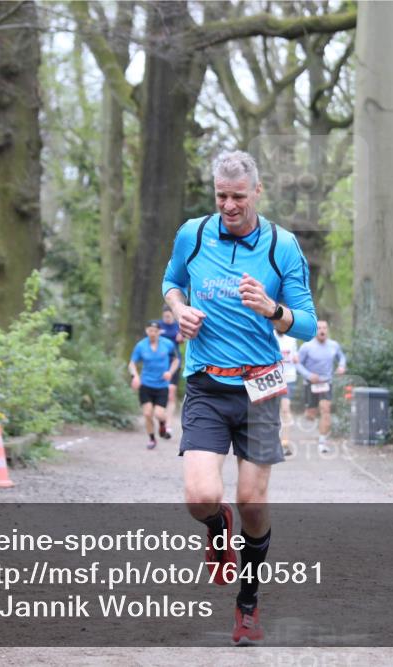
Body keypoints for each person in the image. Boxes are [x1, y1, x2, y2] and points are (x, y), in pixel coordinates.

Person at [162, 150, 317, 644]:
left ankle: (247, 604)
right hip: (208, 382)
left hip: (262, 387)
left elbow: (308, 324)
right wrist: (178, 310)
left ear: (257, 193)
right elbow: (171, 282)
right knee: (200, 496)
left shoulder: (282, 246)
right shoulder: (194, 233)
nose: (228, 206)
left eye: (237, 197)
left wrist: (273, 310)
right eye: (221, 196)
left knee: (253, 500)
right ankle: (216, 524)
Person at [297, 320, 346, 454]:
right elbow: (298, 364)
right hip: (310, 384)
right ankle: (312, 414)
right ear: (315, 330)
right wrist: (308, 375)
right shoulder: (307, 346)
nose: (322, 330)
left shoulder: (334, 345)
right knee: (311, 414)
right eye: (319, 328)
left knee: (325, 410)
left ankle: (322, 442)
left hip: (326, 382)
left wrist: (341, 366)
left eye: (324, 327)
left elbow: (341, 357)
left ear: (327, 330)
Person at [128, 320, 179, 450]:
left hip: (162, 385)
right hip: (146, 385)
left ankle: (162, 424)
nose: (153, 333)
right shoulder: (141, 346)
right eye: (150, 330)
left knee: (159, 413)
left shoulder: (167, 344)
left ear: (159, 332)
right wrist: (135, 376)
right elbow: (132, 363)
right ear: (147, 331)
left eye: (155, 331)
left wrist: (170, 372)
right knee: (147, 413)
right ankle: (152, 439)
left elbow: (176, 360)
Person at [159, 306, 184, 438]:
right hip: (159, 364)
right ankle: (161, 419)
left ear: (174, 316)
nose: (167, 319)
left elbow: (185, 338)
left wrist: (182, 338)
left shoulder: (178, 327)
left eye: (169, 316)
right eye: (165, 317)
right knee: (160, 393)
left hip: (174, 364)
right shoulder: (157, 326)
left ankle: (168, 426)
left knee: (171, 394)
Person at [275, 329, 299, 457]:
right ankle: (273, 442)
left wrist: (296, 358)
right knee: (271, 411)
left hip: (288, 378)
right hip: (272, 379)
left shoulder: (292, 338)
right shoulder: (270, 334)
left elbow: (295, 356)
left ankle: (284, 443)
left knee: (285, 410)